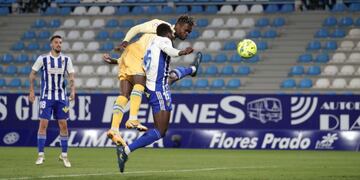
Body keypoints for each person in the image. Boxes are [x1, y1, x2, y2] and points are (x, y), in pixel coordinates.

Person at [115, 23, 202, 173]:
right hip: (158, 90)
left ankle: (192, 69)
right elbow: (170, 50)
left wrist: (116, 61)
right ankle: (126, 151)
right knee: (160, 131)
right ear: (168, 32)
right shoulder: (164, 40)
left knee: (171, 77)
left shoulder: (151, 43)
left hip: (151, 85)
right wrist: (181, 52)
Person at [102, 15, 198, 146]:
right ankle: (133, 119)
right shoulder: (160, 27)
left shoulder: (165, 38)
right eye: (186, 30)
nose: (187, 34)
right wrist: (125, 41)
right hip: (136, 58)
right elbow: (136, 29)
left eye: (189, 32)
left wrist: (117, 60)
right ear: (179, 24)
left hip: (131, 57)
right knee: (143, 85)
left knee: (124, 95)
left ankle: (114, 129)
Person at [28, 35, 75, 168]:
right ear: (51, 45)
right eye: (56, 42)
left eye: (60, 42)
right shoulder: (42, 59)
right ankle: (41, 155)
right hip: (46, 97)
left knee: (64, 125)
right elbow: (32, 74)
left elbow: (71, 76)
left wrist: (73, 91)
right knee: (43, 125)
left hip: (61, 98)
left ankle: (64, 156)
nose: (59, 44)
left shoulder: (66, 60)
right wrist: (31, 91)